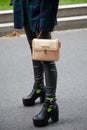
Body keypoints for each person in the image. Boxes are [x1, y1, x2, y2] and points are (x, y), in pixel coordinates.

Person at [10, 0, 59, 127]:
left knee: (47, 59)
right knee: (34, 50)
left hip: (41, 10)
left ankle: (50, 103)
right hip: (25, 7)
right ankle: (39, 87)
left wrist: (46, 25)